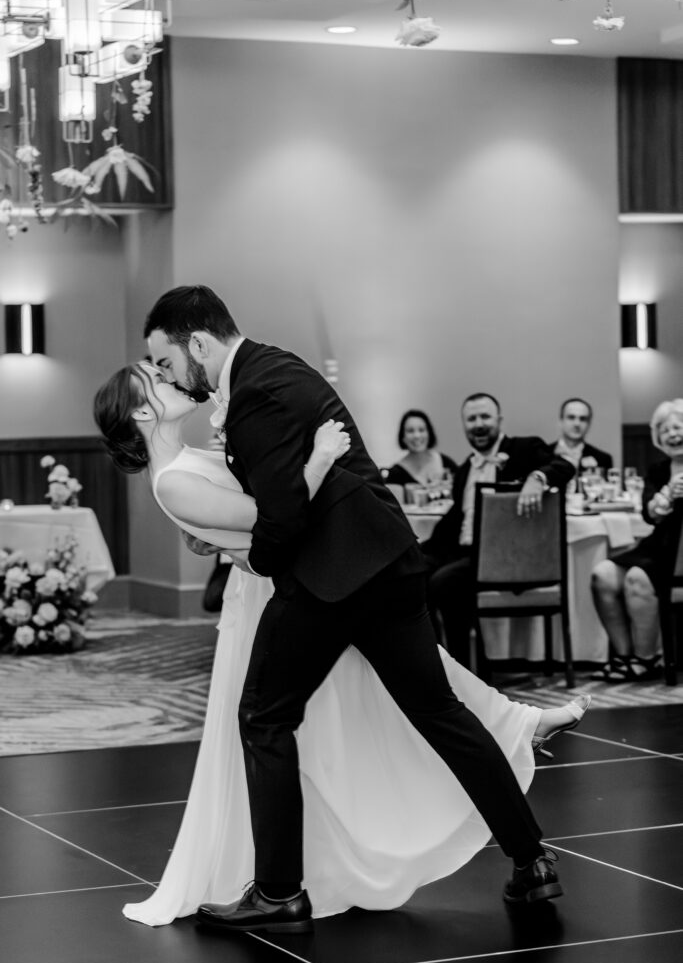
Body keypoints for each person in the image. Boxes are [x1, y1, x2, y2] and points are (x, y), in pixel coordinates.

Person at [93, 359, 590, 927]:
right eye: (155, 381)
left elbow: (260, 506)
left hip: (319, 586)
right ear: (139, 411)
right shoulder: (175, 479)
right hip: (296, 588)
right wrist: (319, 457)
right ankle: (530, 854)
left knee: (300, 721)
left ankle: (283, 889)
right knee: (406, 711)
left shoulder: (190, 461)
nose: (170, 378)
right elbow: (275, 518)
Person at [422, 393, 574, 666]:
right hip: (466, 555)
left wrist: (537, 478)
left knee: (443, 583)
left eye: (485, 417)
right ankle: (433, 665)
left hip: (508, 560)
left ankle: (464, 673)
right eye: (471, 419)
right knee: (412, 575)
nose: (478, 425)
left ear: (499, 420)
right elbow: (453, 521)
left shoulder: (524, 449)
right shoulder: (465, 469)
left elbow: (564, 466)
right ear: (464, 425)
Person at [590, 398, 683, 682]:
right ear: (658, 438)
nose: (673, 434)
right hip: (658, 544)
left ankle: (647, 659)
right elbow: (648, 513)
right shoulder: (657, 470)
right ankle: (625, 656)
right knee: (602, 575)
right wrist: (668, 492)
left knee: (637, 578)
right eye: (665, 430)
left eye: (678, 426)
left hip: (680, 552)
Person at [384, 409, 457, 488]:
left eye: (421, 430)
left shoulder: (446, 462)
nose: (417, 436)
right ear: (403, 437)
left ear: (429, 433)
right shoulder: (395, 474)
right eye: (410, 431)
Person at [548, 398, 613, 479]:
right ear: (561, 421)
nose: (577, 423)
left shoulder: (602, 459)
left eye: (583, 419)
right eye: (571, 417)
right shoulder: (542, 455)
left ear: (589, 424)